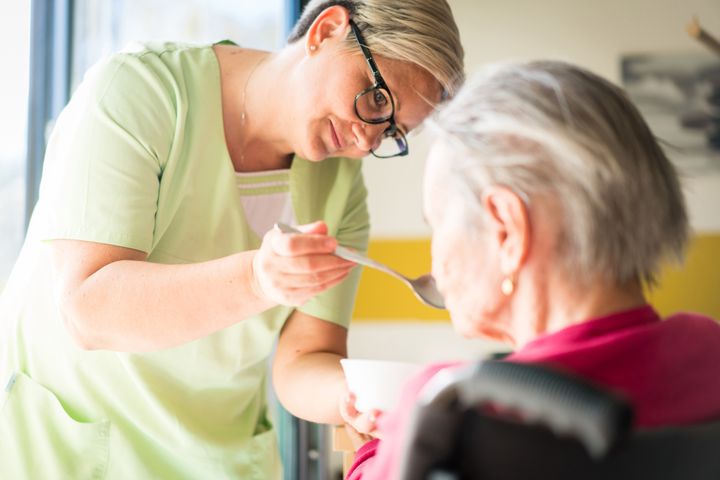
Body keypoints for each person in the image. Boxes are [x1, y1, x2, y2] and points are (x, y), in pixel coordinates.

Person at [0, 1, 464, 478]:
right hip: (80, 447)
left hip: (214, 457)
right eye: (377, 101)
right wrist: (259, 280)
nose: (368, 141)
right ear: (326, 30)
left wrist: (352, 399)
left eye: (392, 131)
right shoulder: (141, 92)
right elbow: (88, 309)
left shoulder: (339, 189)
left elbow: (305, 358)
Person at [341, 60, 720, 479]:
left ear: (506, 231)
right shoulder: (710, 353)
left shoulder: (449, 409)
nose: (434, 259)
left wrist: (376, 449)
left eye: (437, 224)